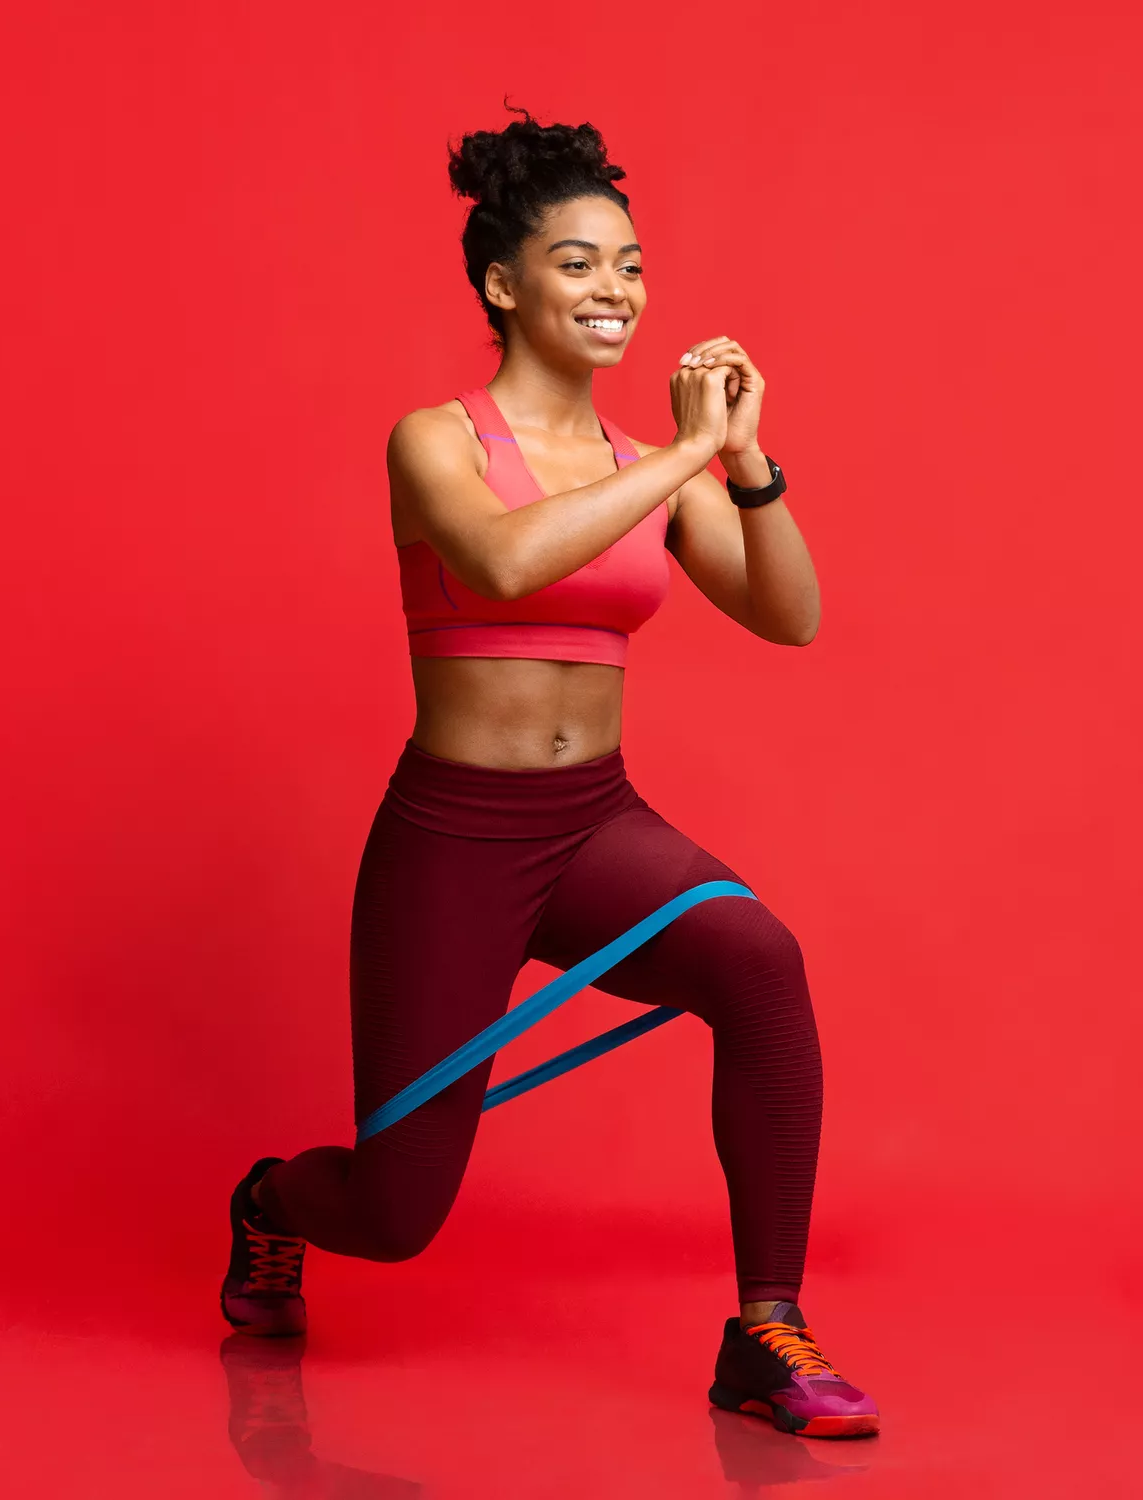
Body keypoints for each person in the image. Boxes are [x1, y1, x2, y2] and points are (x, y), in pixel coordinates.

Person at [219, 103, 879, 1441]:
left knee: (760, 962)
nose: (616, 291)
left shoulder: (648, 465)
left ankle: (765, 1327)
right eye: (580, 263)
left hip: (594, 828)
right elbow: (507, 564)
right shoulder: (438, 442)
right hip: (454, 836)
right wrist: (692, 454)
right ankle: (269, 1204)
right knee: (398, 1215)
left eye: (631, 264)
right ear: (501, 284)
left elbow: (791, 613)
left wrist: (745, 469)